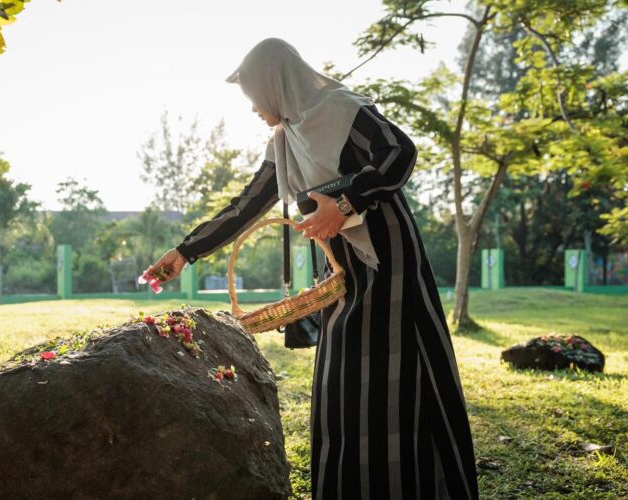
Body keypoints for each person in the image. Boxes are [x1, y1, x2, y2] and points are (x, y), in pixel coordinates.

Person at [145, 38, 479, 500]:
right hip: (341, 268)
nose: (254, 107)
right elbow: (246, 206)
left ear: (276, 83)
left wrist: (344, 202)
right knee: (340, 378)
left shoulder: (341, 110)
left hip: (389, 258)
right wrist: (185, 252)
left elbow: (399, 152)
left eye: (254, 96)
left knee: (397, 373)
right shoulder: (284, 140)